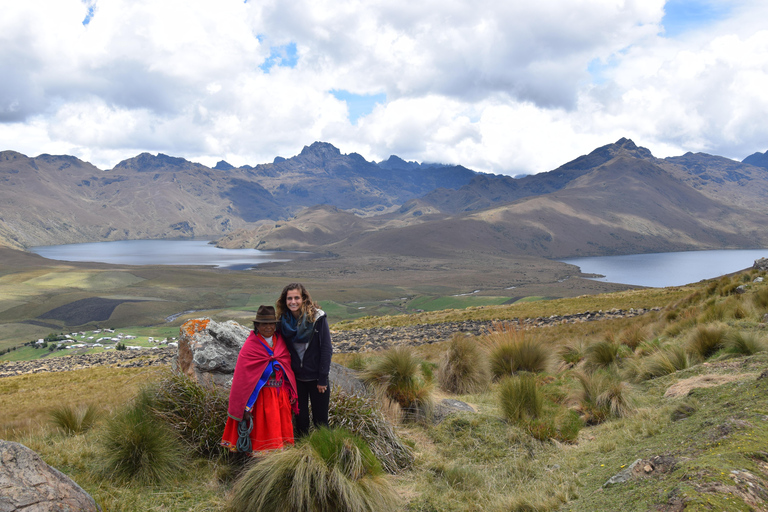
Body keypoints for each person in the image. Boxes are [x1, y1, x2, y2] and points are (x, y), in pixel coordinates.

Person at [221, 305, 298, 455]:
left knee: (280, 428)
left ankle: (280, 460)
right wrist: (243, 407)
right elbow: (242, 379)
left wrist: (291, 392)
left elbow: (287, 367)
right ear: (257, 325)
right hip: (261, 398)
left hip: (280, 396)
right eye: (264, 324)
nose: (268, 327)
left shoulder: (281, 342)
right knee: (263, 430)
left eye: (271, 323)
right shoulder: (250, 347)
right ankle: (261, 465)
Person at [276, 283, 333, 437]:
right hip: (296, 380)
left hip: (316, 379)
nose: (293, 302)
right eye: (289, 298)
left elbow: (326, 349)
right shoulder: (282, 322)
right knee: (301, 421)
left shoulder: (317, 317)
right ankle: (303, 455)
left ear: (304, 299)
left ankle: (326, 451)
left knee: (320, 421)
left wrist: (323, 378)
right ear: (284, 301)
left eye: (296, 298)